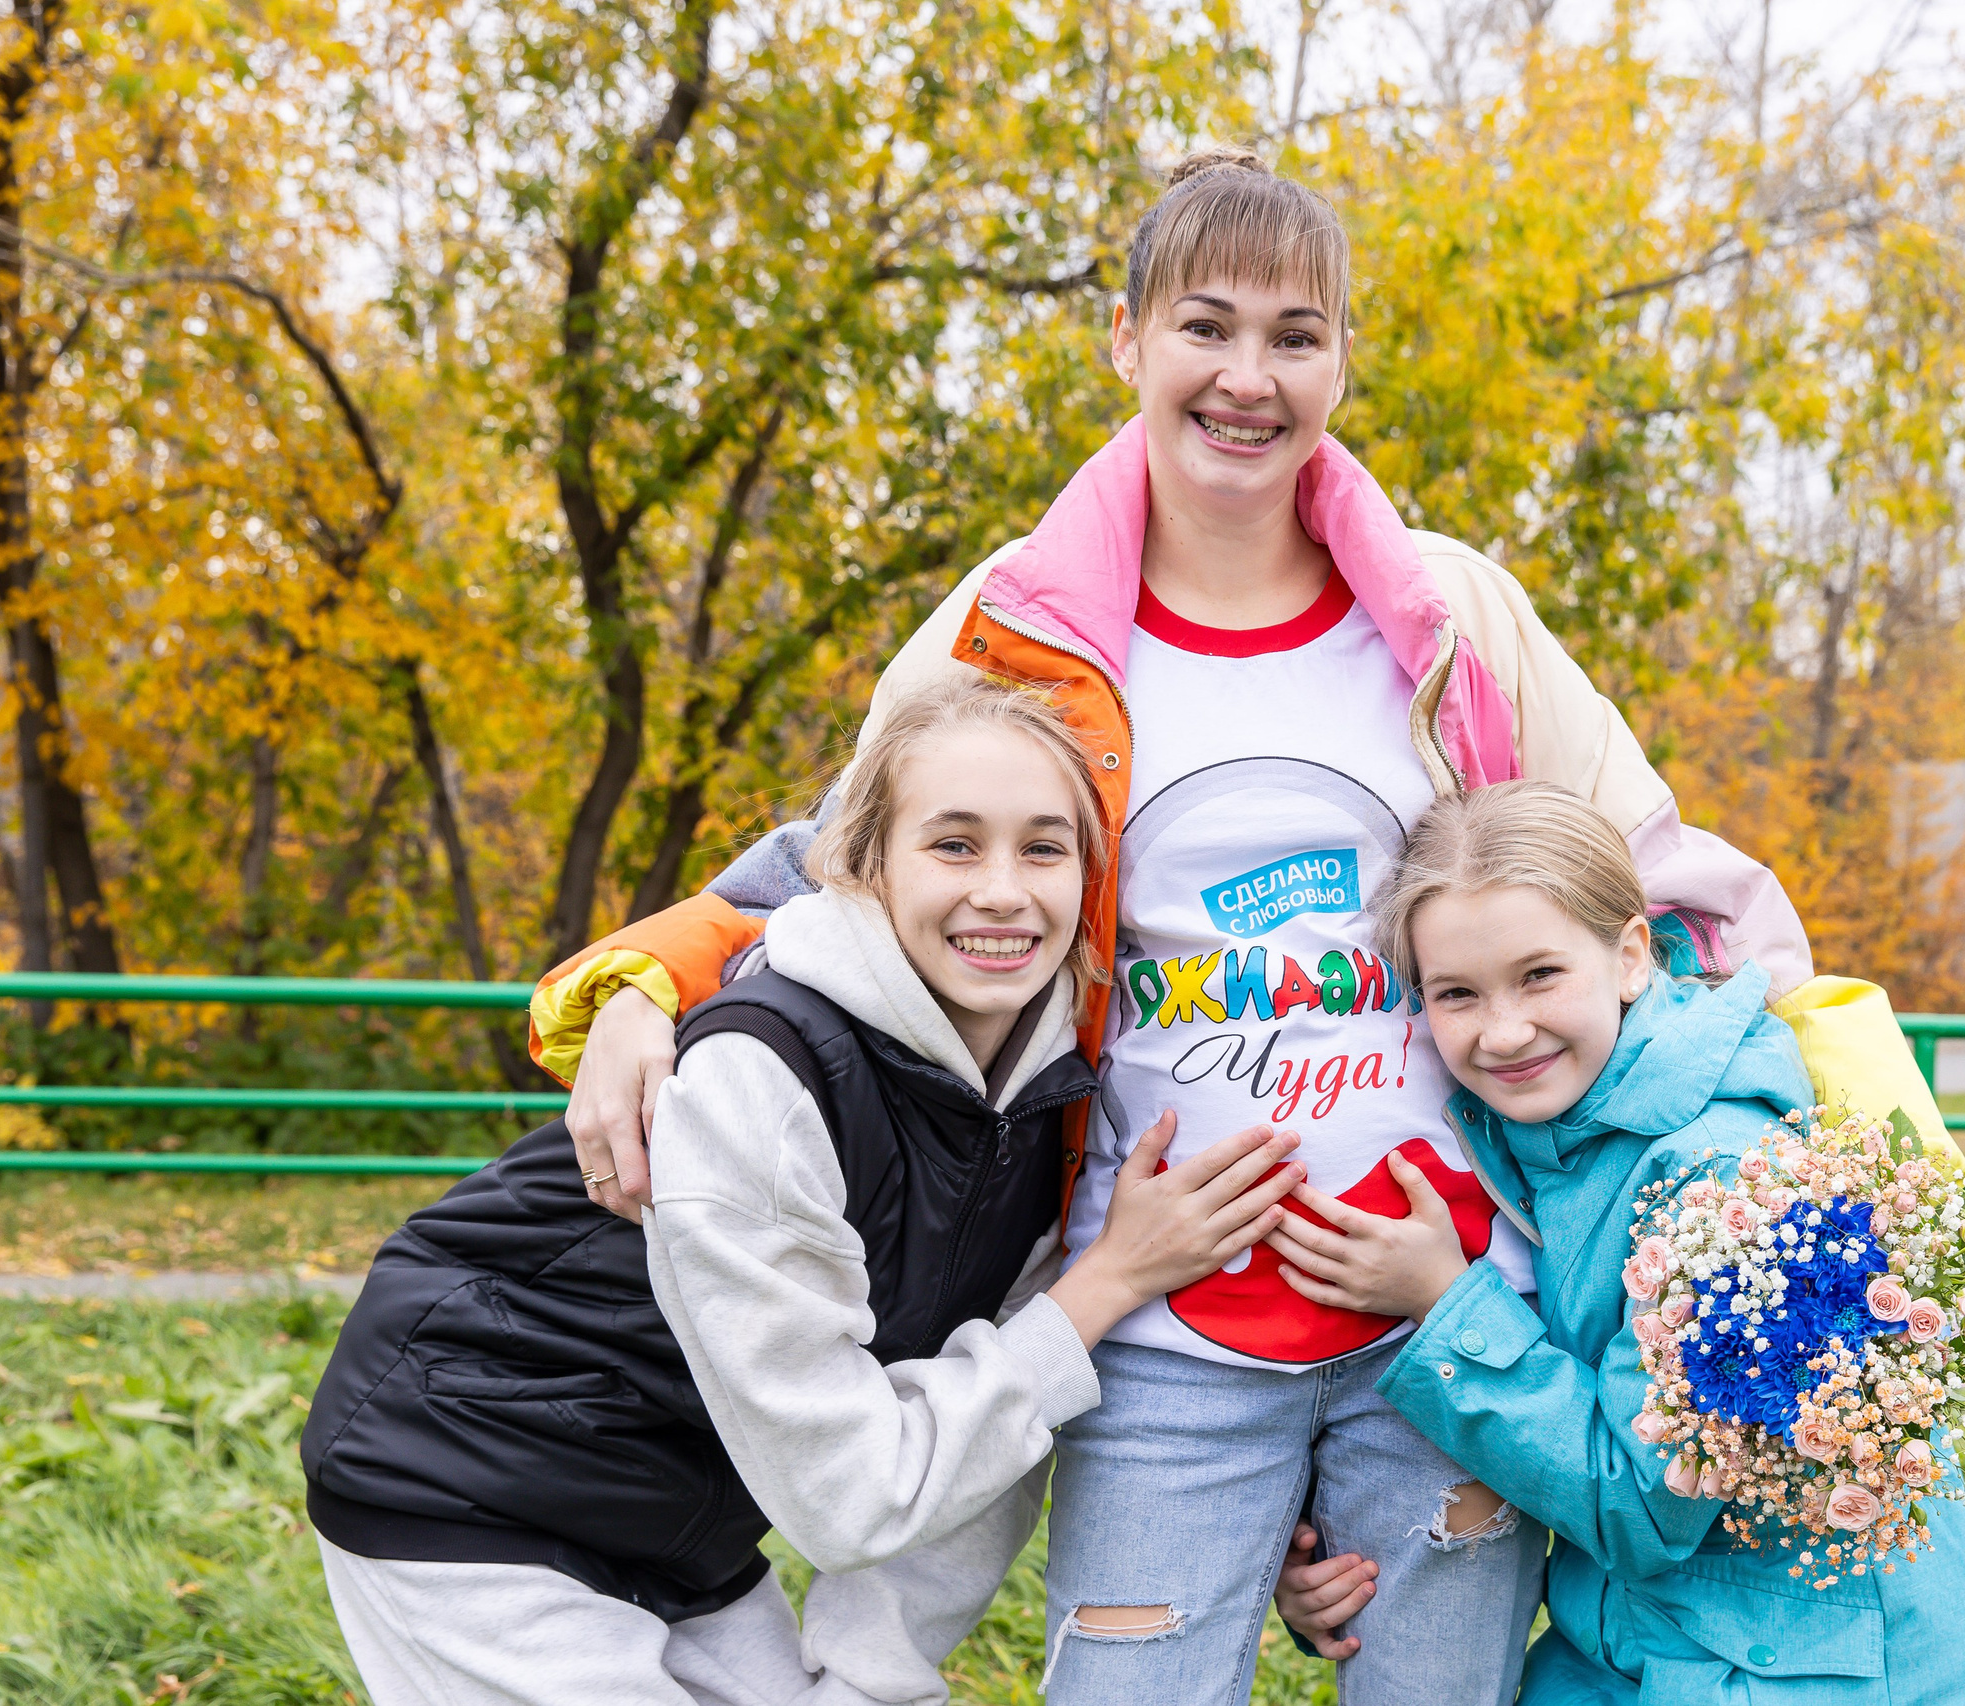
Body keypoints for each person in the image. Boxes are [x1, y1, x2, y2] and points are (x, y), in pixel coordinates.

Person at [531, 148, 1815, 1701]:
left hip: (1450, 1304)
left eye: (1298, 334)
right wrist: (633, 989)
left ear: (1342, 360)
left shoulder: (1449, 611)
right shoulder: (1017, 623)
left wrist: (1806, 1159)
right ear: (1128, 339)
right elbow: (849, 868)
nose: (1248, 377)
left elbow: (1650, 876)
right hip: (1154, 1321)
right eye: (1207, 326)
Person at [300, 677, 1305, 1706]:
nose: (1003, 889)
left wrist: (870, 1680)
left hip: (685, 1520)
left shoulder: (1058, 1096)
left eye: (1043, 848)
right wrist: (1106, 1281)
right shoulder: (760, 1069)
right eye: (953, 844)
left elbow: (998, 1414)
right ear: (858, 864)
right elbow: (861, 1484)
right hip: (471, 1475)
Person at [1263, 780, 1965, 1703]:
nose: (1503, 1031)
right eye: (1456, 993)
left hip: (1813, 1672)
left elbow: (1640, 1507)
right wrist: (1346, 1558)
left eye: (1540, 975)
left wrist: (1444, 1303)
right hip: (1641, 1643)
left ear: (1629, 956)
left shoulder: (1724, 1171)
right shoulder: (1541, 1132)